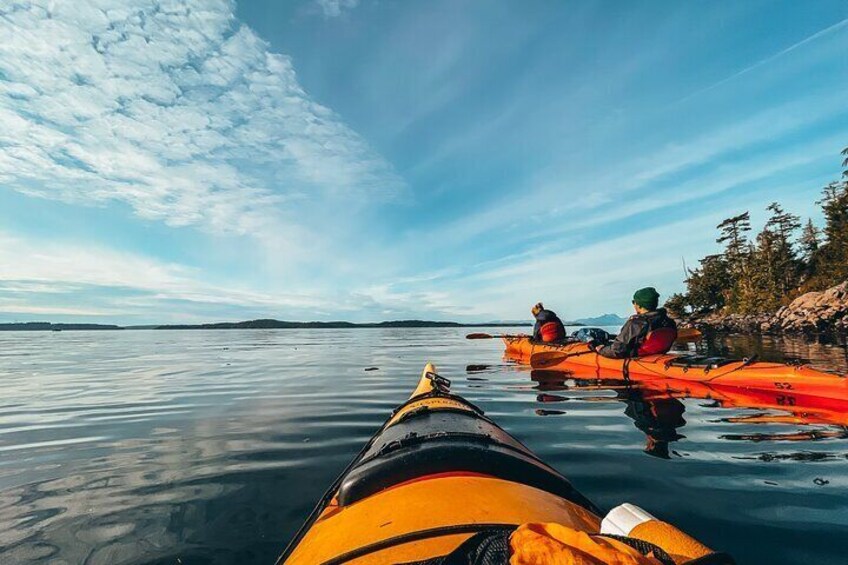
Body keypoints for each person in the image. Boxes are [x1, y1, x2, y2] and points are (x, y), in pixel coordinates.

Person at [593, 287, 677, 358]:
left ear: (639, 305)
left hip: (639, 357)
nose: (634, 304)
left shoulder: (636, 323)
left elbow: (617, 350)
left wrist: (601, 349)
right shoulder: (669, 321)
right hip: (656, 355)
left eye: (634, 302)